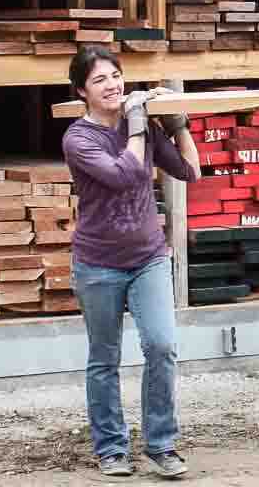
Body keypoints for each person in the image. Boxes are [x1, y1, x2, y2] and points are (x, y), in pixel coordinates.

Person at [63, 46, 201, 479]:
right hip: (98, 263)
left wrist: (177, 126)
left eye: (117, 75)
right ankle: (112, 449)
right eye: (100, 79)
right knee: (104, 358)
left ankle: (161, 444)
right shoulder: (79, 139)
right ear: (81, 90)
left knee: (161, 345)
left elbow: (189, 171)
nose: (113, 85)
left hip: (148, 258)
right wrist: (138, 125)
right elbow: (123, 174)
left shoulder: (139, 125)